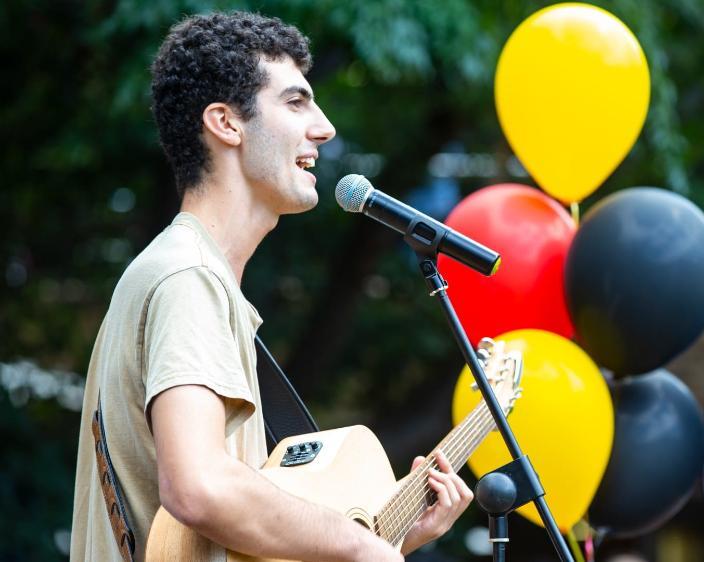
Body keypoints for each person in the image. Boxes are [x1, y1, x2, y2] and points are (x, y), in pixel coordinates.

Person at [70, 11, 472, 561]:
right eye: (295, 101)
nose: (325, 127)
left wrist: (389, 535)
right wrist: (355, 544)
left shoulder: (188, 274)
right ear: (227, 124)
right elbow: (199, 486)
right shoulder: (189, 278)